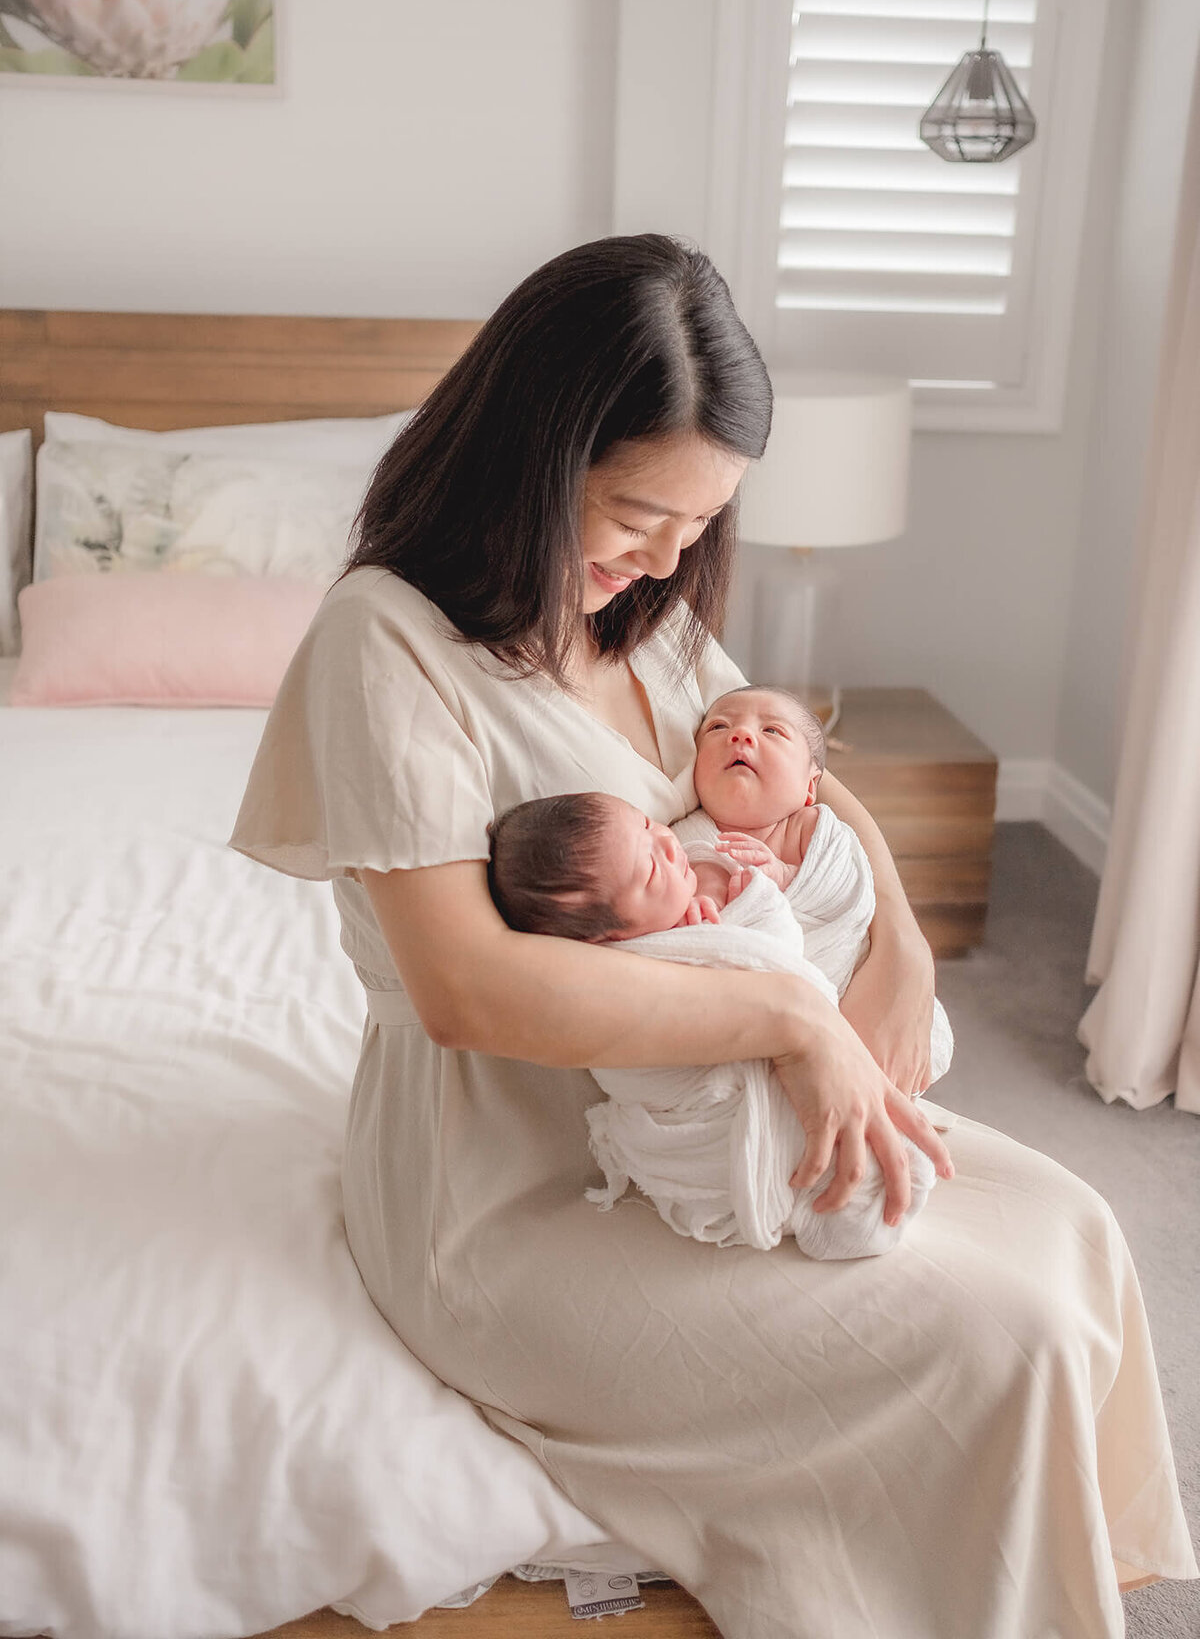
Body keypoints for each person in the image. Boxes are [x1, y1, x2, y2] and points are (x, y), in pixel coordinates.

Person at [230, 235, 1197, 1638]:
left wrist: (903, 954)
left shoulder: (652, 626)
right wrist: (796, 1021)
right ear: (532, 454)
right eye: (640, 511)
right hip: (513, 1180)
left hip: (713, 1107)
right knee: (1002, 1337)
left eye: (701, 521)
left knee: (1077, 1229)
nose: (671, 556)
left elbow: (804, 779)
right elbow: (466, 988)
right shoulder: (384, 645)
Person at [487, 782, 954, 1261]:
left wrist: (745, 901)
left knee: (890, 1133)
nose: (669, 844)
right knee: (888, 1168)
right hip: (713, 1111)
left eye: (649, 826)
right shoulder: (625, 970)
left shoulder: (700, 897)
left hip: (780, 1052)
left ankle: (828, 1189)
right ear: (608, 937)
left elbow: (785, 949)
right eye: (651, 869)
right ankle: (817, 1197)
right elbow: (779, 956)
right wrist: (737, 928)